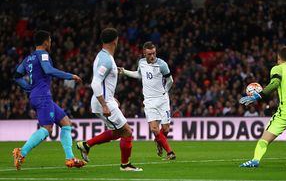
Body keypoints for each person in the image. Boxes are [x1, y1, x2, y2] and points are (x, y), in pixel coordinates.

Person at [12, 30, 86, 170]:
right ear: (46, 42)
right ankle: (21, 153)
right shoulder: (43, 54)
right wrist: (70, 76)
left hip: (37, 95)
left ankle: (70, 158)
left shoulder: (28, 59)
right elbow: (48, 70)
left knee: (66, 123)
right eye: (50, 40)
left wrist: (29, 88)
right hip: (43, 96)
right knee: (47, 129)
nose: (51, 43)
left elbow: (16, 76)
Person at [76, 28, 142, 171]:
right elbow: (95, 83)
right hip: (103, 103)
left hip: (107, 100)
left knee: (118, 132)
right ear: (115, 41)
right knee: (127, 132)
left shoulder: (103, 56)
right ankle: (125, 165)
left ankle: (86, 145)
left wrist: (111, 98)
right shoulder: (106, 60)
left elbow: (104, 83)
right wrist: (105, 104)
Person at [119, 41, 176, 160]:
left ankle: (159, 142)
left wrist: (165, 91)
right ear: (144, 53)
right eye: (149, 54)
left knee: (165, 129)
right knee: (154, 128)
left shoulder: (162, 65)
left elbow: (170, 80)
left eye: (154, 53)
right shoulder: (141, 62)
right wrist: (124, 71)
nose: (152, 56)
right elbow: (139, 75)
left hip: (162, 99)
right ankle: (170, 152)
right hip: (149, 100)